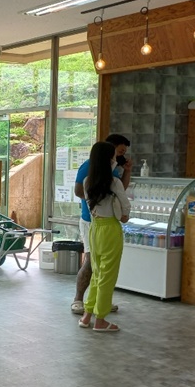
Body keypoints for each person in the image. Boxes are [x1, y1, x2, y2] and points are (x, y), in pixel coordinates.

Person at [71, 133, 132, 315]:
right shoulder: (88, 167)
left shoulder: (112, 170)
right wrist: (98, 202)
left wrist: (127, 171)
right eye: (118, 152)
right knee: (92, 263)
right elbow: (79, 191)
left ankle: (100, 302)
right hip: (91, 221)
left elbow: (120, 190)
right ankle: (78, 300)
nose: (119, 156)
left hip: (106, 223)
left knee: (104, 267)